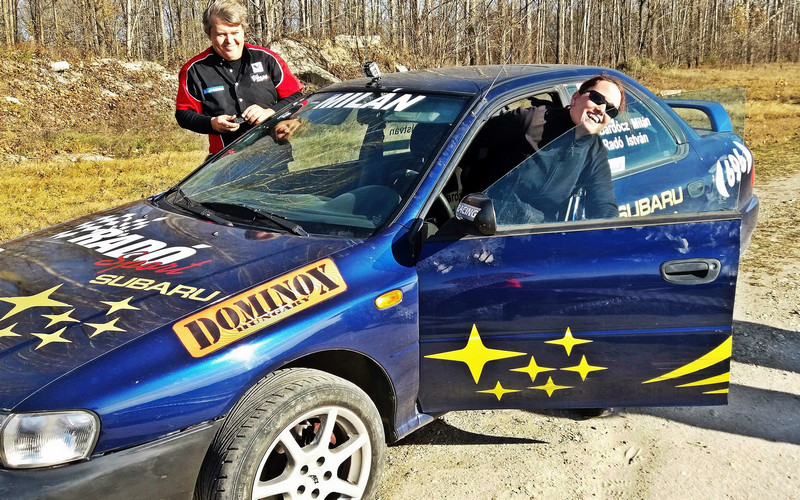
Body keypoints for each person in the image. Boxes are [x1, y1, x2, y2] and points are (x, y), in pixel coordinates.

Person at [461, 75, 625, 221]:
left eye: (611, 110)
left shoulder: (595, 152)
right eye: (597, 98)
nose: (601, 110)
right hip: (486, 223)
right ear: (575, 97)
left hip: (536, 234)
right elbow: (465, 145)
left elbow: (605, 205)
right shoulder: (530, 121)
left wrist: (610, 234)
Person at [175, 0, 304, 155]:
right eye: (221, 34)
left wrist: (271, 112)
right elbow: (183, 115)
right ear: (209, 34)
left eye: (235, 32)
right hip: (226, 160)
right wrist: (212, 123)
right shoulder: (194, 70)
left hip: (274, 155)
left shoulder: (267, 59)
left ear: (244, 30)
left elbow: (297, 97)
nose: (229, 41)